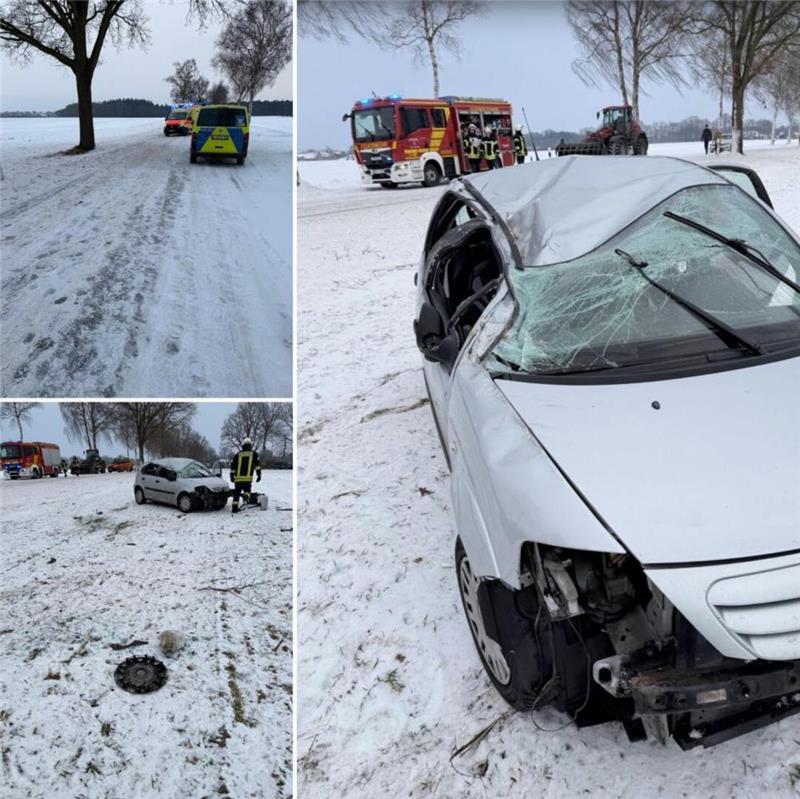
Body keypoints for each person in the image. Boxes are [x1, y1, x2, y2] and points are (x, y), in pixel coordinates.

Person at [229, 437, 262, 513]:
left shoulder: (238, 454)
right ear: (250, 445)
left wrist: (231, 476)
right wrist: (259, 475)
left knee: (236, 494)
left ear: (243, 445)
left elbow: (233, 466)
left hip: (238, 479)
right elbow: (257, 466)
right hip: (247, 479)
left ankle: (234, 509)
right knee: (247, 491)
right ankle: (246, 497)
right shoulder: (254, 454)